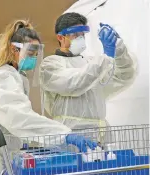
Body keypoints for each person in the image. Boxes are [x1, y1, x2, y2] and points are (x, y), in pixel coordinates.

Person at [0, 19, 97, 175]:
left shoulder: (16, 76)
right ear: (14, 48)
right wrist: (64, 135)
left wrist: (28, 143)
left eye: (36, 54)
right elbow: (19, 116)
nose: (34, 58)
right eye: (30, 53)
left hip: (5, 147)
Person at [39, 13, 136, 144]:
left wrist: (118, 48)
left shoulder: (92, 63)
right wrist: (106, 58)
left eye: (82, 35)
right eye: (75, 35)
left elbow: (124, 76)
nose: (80, 39)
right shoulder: (50, 65)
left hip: (101, 137)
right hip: (71, 138)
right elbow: (74, 84)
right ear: (60, 37)